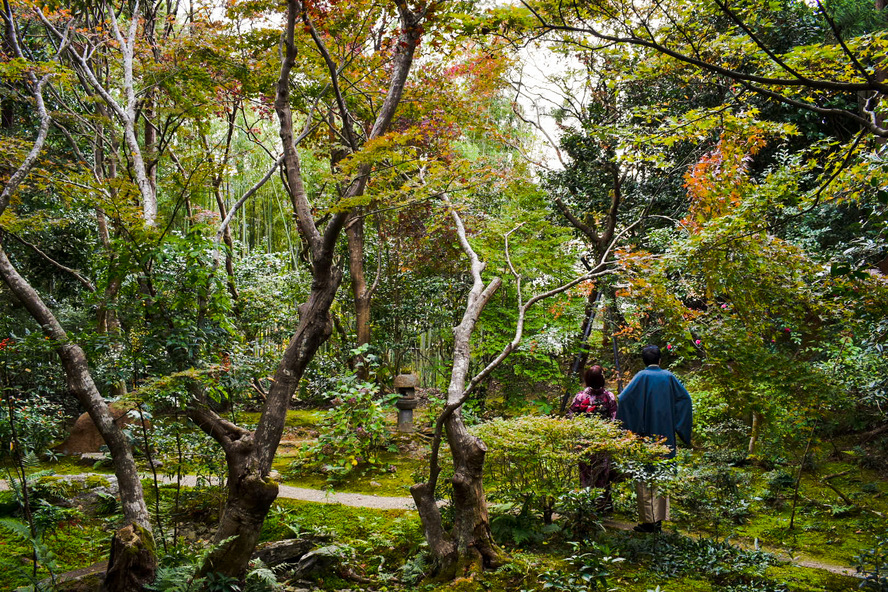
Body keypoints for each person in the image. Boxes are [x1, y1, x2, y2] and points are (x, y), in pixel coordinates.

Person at [616, 344, 692, 534]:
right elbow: (685, 400)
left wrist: (628, 429)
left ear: (644, 361)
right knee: (661, 474)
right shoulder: (668, 377)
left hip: (645, 435)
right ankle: (659, 520)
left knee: (645, 478)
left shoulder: (641, 377)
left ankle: (647, 521)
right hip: (665, 435)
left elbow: (624, 399)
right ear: (660, 360)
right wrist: (679, 426)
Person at [568, 365, 618, 509]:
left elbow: (571, 416)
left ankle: (587, 504)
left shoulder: (580, 396)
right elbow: (614, 418)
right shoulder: (609, 396)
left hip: (584, 441)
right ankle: (603, 504)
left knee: (586, 473)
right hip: (603, 439)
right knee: (603, 473)